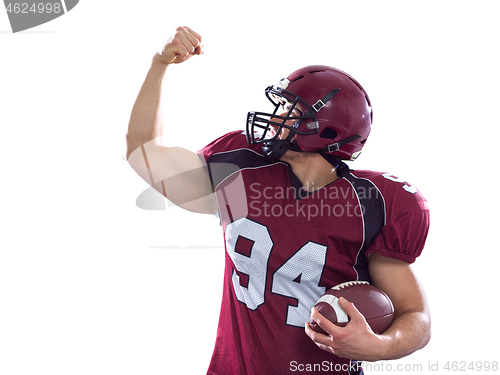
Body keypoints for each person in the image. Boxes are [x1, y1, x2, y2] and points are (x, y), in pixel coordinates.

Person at [126, 26, 431, 375]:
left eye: (290, 109)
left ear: (327, 130)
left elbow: (416, 316)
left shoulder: (372, 203)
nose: (275, 118)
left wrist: (380, 346)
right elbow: (143, 153)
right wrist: (159, 65)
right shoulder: (243, 171)